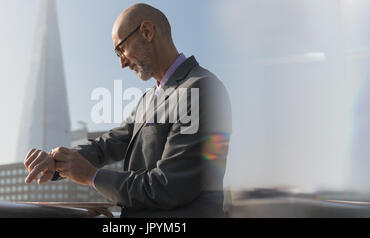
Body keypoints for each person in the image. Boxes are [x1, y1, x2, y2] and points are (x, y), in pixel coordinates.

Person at [23, 3, 232, 218]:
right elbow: (107, 145)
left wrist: (92, 176)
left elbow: (167, 187)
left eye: (121, 49)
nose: (122, 63)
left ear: (147, 32)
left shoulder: (200, 89)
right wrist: (56, 161)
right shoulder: (149, 99)